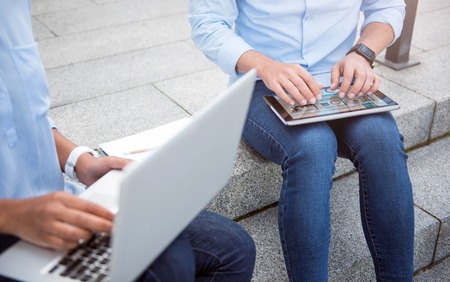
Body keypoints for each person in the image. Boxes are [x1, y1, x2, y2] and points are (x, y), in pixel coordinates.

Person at [0, 1, 255, 281]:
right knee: (168, 263)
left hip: (60, 207)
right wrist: (12, 216)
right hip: (10, 230)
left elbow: (25, 118)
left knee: (232, 247)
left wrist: (81, 162)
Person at [189, 0, 414, 281]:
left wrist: (362, 52)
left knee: (382, 140)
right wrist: (265, 65)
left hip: (339, 78)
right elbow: (207, 22)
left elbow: (387, 5)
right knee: (313, 146)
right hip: (262, 82)